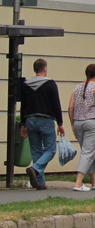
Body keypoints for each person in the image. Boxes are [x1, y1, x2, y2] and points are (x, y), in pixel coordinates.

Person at [19, 58, 64, 190]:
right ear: (45, 69)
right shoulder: (50, 84)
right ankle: (35, 168)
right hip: (46, 119)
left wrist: (23, 124)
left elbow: (23, 105)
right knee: (50, 149)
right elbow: (56, 104)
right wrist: (60, 123)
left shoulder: (26, 85)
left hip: (30, 120)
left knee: (36, 151)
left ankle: (40, 182)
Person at [67, 63, 95, 192]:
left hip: (78, 122)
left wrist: (73, 123)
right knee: (87, 152)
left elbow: (70, 107)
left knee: (86, 151)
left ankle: (94, 181)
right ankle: (78, 183)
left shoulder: (78, 87)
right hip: (92, 122)